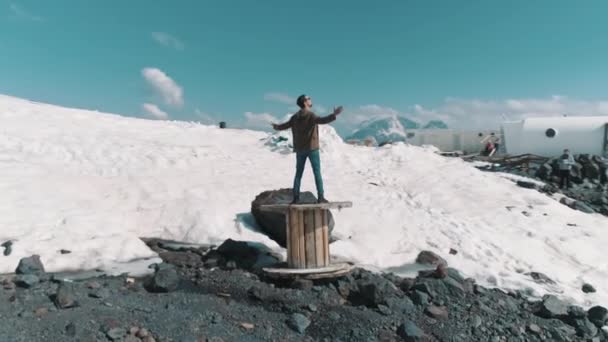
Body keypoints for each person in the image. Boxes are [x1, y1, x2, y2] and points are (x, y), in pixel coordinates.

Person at [271, 94, 343, 204]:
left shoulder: (295, 117)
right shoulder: (311, 115)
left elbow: (284, 126)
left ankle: (296, 198)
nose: (310, 100)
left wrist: (276, 127)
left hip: (300, 149)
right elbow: (322, 120)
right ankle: (321, 197)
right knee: (317, 172)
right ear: (305, 102)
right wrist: (334, 115)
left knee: (298, 173)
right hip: (312, 148)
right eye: (309, 98)